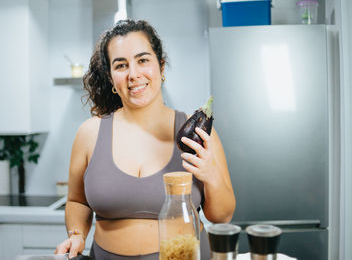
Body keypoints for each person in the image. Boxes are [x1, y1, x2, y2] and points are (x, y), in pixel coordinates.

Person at [55, 19, 236, 260]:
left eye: (142, 60)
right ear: (111, 78)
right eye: (121, 65)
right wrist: (76, 233)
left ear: (161, 68)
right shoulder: (90, 133)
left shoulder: (198, 133)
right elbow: (77, 200)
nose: (133, 74)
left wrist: (211, 175)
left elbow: (221, 216)